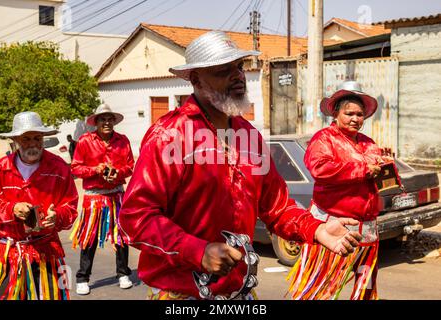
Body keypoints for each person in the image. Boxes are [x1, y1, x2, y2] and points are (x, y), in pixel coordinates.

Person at [118, 31, 362, 300]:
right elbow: (135, 219)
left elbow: (277, 207)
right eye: (223, 70)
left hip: (239, 293)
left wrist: (316, 228)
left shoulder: (249, 136)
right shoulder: (170, 135)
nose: (238, 76)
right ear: (196, 79)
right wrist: (197, 251)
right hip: (182, 294)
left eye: (239, 66)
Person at [286, 81, 393, 300]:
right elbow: (320, 168)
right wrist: (363, 169)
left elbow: (376, 174)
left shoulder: (368, 143)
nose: (355, 119)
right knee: (321, 286)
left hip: (367, 228)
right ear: (335, 113)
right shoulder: (324, 139)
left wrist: (385, 166)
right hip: (332, 226)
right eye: (349, 113)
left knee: (366, 283)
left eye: (360, 114)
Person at [0, 111, 78, 300]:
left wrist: (58, 217)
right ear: (15, 140)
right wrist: (12, 209)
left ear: (43, 139)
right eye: (26, 138)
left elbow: (71, 208)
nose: (32, 144)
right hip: (11, 253)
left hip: (48, 252)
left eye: (37, 138)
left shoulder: (59, 168)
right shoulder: (0, 169)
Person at [70, 103, 135, 295]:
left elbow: (130, 166)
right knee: (89, 237)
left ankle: (123, 273)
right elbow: (75, 168)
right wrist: (94, 170)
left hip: (116, 194)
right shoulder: (84, 141)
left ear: (114, 121)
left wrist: (118, 172)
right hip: (94, 197)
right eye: (102, 119)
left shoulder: (123, 141)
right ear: (96, 122)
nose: (106, 122)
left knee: (121, 237)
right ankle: (83, 277)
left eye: (109, 119)